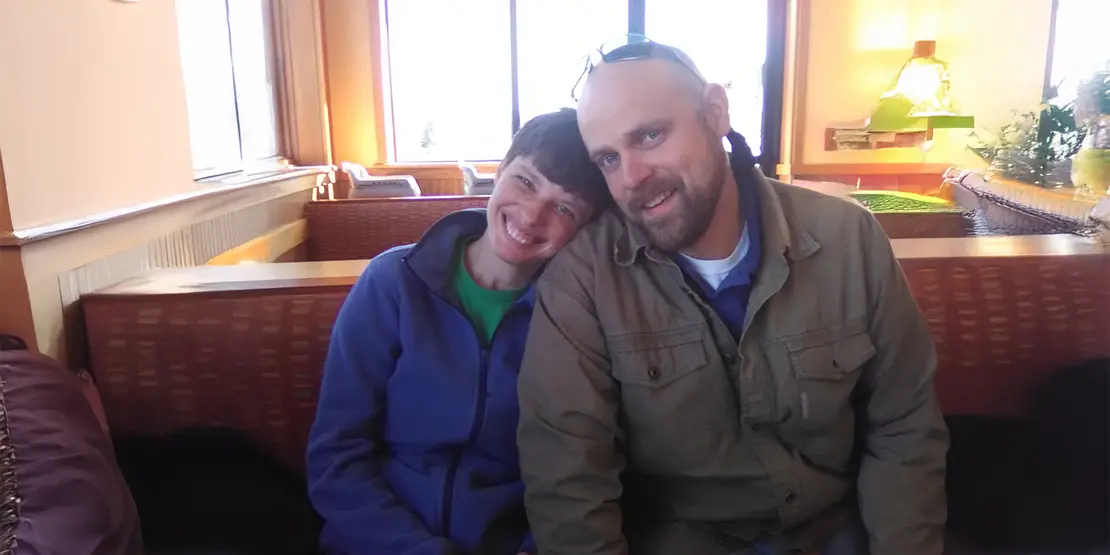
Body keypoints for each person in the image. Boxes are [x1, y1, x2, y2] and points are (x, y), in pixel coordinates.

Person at [517, 37, 949, 555]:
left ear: (715, 113)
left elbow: (904, 426)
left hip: (834, 530)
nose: (631, 177)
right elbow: (568, 480)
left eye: (651, 135)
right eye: (608, 158)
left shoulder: (847, 239)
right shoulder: (585, 276)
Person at [307, 108, 609, 555]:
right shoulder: (393, 282)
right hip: (378, 542)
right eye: (525, 181)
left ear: (583, 229)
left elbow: (578, 471)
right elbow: (336, 455)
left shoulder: (575, 315)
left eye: (564, 207)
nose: (531, 215)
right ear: (500, 171)